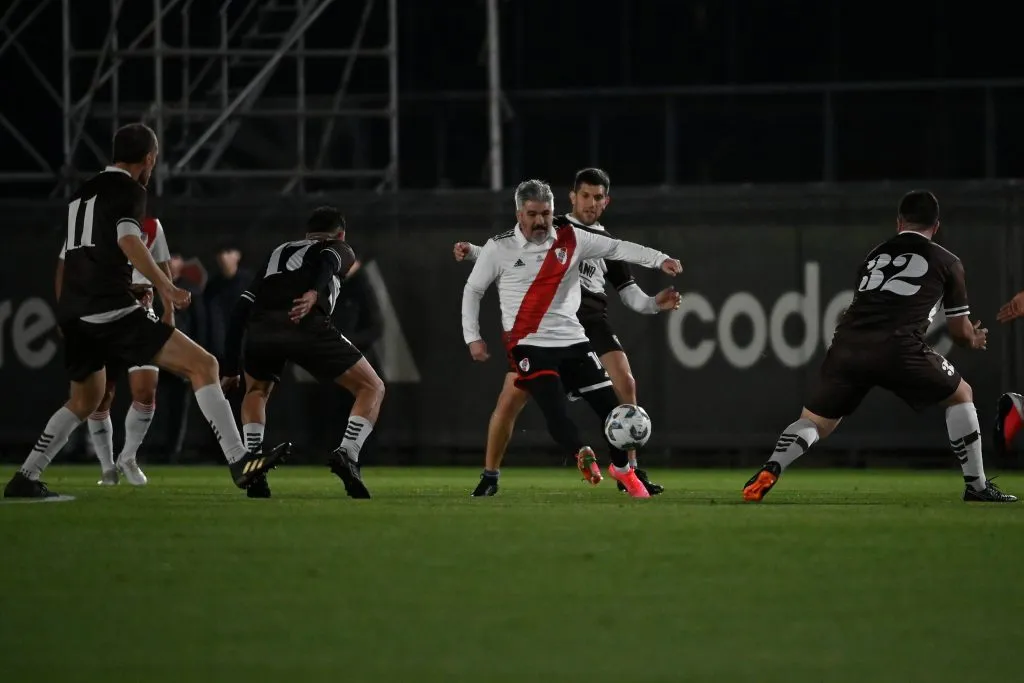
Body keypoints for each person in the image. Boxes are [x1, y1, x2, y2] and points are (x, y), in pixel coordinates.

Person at [3, 122, 287, 499]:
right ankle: (240, 462)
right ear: (149, 158)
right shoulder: (130, 190)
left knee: (85, 399)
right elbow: (127, 239)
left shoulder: (81, 194)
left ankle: (26, 476)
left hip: (78, 313)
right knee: (205, 366)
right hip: (112, 311)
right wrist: (165, 285)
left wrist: (86, 303)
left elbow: (74, 259)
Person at [743, 190, 1017, 503]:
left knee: (815, 422)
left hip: (847, 344)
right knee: (961, 394)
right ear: (936, 225)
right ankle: (977, 486)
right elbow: (959, 332)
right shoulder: (948, 261)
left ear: (899, 222)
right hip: (898, 347)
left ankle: (774, 464)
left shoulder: (874, 255)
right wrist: (973, 338)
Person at [454, 167, 680, 496]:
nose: (591, 202)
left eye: (597, 197)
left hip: (580, 329)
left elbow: (623, 263)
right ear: (572, 198)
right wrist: (472, 332)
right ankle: (493, 474)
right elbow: (497, 260)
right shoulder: (544, 230)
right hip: (531, 339)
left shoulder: (584, 239)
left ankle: (627, 469)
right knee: (517, 404)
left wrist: (659, 267)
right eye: (585, 195)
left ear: (606, 201)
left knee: (619, 397)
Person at [221, 207, 386, 499]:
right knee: (371, 386)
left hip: (261, 327)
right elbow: (329, 260)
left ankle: (253, 462)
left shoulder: (279, 252)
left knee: (256, 390)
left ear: (306, 233)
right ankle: (348, 452)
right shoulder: (339, 247)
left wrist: (231, 366)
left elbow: (240, 308)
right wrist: (313, 291)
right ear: (341, 233)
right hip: (305, 323)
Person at [57, 216, 173, 486]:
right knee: (102, 394)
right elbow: (66, 269)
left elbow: (164, 268)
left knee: (146, 388)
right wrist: (67, 313)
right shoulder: (86, 223)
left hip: (142, 314)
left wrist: (169, 310)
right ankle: (107, 467)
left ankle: (129, 457)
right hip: (102, 312)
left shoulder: (152, 225)